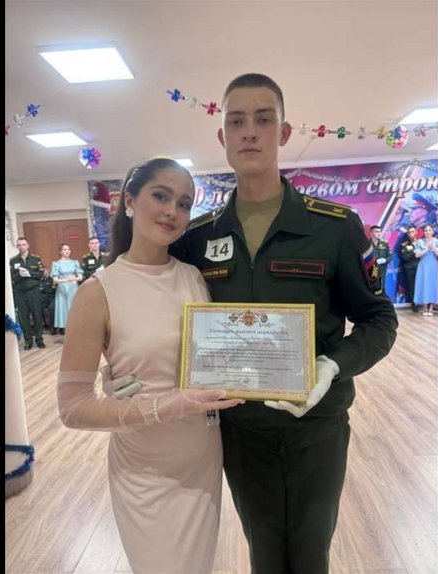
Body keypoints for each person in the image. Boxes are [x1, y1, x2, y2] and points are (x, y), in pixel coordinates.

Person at [169, 73, 398, 572]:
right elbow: (164, 312)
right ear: (222, 137)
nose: (249, 131)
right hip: (239, 430)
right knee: (265, 553)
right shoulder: (197, 238)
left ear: (285, 132)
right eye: (237, 121)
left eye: (263, 119)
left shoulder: (334, 227)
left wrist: (332, 366)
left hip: (316, 427)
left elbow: (379, 318)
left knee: (311, 554)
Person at [57, 157, 245, 574]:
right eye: (161, 196)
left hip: (201, 459)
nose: (172, 211)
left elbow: (217, 353)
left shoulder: (196, 277)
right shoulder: (97, 291)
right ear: (129, 200)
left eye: (184, 203)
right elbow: (72, 409)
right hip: (144, 469)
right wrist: (162, 405)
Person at [9, 237, 47, 350]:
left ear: (28, 245)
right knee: (24, 318)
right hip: (20, 292)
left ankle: (39, 340)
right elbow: (11, 277)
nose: (21, 247)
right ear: (17, 246)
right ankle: (28, 341)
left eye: (23, 244)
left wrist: (29, 274)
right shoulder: (13, 260)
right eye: (19, 245)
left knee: (37, 316)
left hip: (33, 291)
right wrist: (20, 275)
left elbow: (41, 274)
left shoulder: (35, 259)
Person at [50, 244, 84, 335]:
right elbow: (55, 279)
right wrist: (66, 280)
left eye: (68, 249)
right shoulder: (56, 264)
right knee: (64, 309)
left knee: (74, 308)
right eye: (65, 250)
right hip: (63, 289)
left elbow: (80, 277)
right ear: (61, 252)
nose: (67, 251)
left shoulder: (74, 262)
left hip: (73, 288)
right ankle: (66, 330)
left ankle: (77, 329)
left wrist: (74, 278)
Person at [412, 224, 438, 315]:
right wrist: (426, 249)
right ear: (423, 232)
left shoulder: (436, 241)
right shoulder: (419, 242)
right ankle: (424, 308)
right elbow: (417, 255)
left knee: (433, 285)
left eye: (429, 230)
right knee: (423, 284)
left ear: (432, 231)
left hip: (433, 265)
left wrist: (433, 247)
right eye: (426, 230)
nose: (428, 232)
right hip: (423, 265)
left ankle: (431, 308)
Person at [398, 225, 421, 312]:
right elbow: (404, 257)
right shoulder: (404, 244)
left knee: (421, 285)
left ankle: (422, 302)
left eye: (413, 232)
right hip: (410, 268)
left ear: (416, 232)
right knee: (412, 287)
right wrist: (413, 253)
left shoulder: (421, 242)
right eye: (409, 232)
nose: (411, 234)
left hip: (421, 268)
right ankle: (414, 304)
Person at [368, 225, 391, 295]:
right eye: (376, 232)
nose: (379, 234)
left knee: (382, 285)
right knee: (372, 286)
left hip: (382, 269)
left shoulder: (385, 243)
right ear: (371, 233)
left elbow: (390, 256)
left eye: (380, 232)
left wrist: (385, 260)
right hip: (372, 269)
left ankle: (382, 299)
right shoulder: (367, 244)